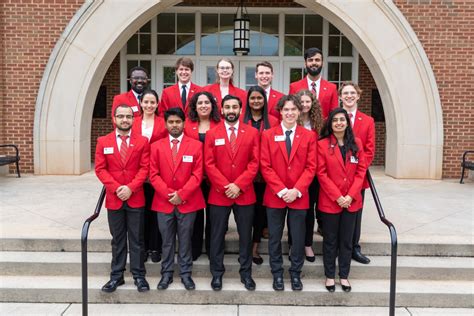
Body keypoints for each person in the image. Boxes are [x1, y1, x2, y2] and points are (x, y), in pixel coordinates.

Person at [260, 95, 317, 291]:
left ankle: (295, 273)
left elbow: (311, 167)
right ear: (280, 112)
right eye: (286, 110)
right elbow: (265, 166)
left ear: (299, 111)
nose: (290, 113)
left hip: (299, 197)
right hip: (276, 196)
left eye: (294, 109)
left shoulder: (309, 136)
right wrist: (283, 190)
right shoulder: (268, 135)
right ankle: (277, 274)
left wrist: (296, 190)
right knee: (274, 237)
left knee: (298, 237)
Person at [204, 95, 259, 291]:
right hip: (219, 193)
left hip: (245, 193)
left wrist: (239, 185)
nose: (231, 110)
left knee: (245, 236)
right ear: (221, 109)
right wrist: (226, 185)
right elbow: (208, 164)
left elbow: (254, 163)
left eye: (234, 107)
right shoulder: (212, 133)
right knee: (217, 235)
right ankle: (216, 274)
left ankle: (246, 274)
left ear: (240, 109)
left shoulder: (252, 133)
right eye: (227, 107)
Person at [95, 104, 150, 293]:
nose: (125, 119)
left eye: (128, 116)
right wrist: (118, 188)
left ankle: (139, 276)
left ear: (133, 119)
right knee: (118, 239)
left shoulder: (142, 141)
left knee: (137, 239)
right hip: (114, 198)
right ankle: (116, 276)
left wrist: (131, 188)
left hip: (135, 197)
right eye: (121, 116)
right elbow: (100, 169)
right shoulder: (103, 141)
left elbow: (145, 168)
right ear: (114, 118)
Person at [149, 107, 205, 291]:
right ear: (165, 124)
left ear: (184, 123)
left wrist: (181, 194)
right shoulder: (156, 146)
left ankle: (186, 274)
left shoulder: (196, 145)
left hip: (188, 202)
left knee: (185, 239)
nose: (174, 125)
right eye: (171, 122)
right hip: (163, 202)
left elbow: (198, 175)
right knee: (166, 240)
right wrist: (169, 194)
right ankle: (166, 274)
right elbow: (153, 175)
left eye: (178, 122)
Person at [317, 107, 368, 293]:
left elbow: (361, 171)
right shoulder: (322, 144)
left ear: (347, 123)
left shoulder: (357, 143)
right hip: (331, 201)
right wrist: (338, 196)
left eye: (342, 120)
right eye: (335, 120)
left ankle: (344, 276)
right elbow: (321, 174)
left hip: (351, 202)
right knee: (330, 240)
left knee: (346, 241)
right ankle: (330, 276)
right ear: (330, 124)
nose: (339, 123)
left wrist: (350, 196)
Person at [339, 82, 375, 265]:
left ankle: (354, 248)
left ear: (358, 96)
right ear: (341, 96)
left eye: (352, 93)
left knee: (355, 214)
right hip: (337, 177)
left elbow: (369, 151)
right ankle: (339, 247)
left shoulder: (367, 121)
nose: (349, 96)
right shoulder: (335, 118)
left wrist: (357, 170)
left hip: (357, 179)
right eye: (346, 93)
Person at [242, 86, 278, 265]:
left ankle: (254, 248)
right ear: (247, 101)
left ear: (265, 100)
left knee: (260, 213)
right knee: (246, 214)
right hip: (245, 175)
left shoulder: (273, 120)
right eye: (252, 98)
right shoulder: (241, 120)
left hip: (266, 176)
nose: (256, 101)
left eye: (259, 98)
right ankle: (245, 245)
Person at [287, 90, 324, 262]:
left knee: (309, 210)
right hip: (295, 173)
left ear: (313, 103)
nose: (305, 105)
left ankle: (307, 243)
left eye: (308, 101)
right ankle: (293, 244)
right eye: (301, 102)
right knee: (293, 210)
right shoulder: (291, 121)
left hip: (313, 174)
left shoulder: (319, 124)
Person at [131, 89, 167, 263]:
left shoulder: (163, 123)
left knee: (156, 213)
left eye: (152, 102)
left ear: (157, 104)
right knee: (140, 214)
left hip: (158, 173)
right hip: (137, 173)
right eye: (146, 102)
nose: (149, 105)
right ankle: (142, 247)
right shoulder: (133, 122)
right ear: (141, 103)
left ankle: (156, 247)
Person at [184, 91, 221, 261]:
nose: (203, 106)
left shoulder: (219, 125)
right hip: (193, 178)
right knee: (196, 216)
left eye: (207, 102)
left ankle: (213, 249)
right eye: (200, 103)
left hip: (215, 178)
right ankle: (195, 248)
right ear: (194, 106)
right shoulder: (187, 125)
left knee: (214, 216)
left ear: (212, 105)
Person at [289, 47, 338, 118]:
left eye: (317, 60)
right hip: (301, 127)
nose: (314, 63)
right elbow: (291, 111)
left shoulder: (332, 88)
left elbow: (334, 114)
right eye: (310, 60)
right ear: (305, 63)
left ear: (322, 63)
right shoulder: (294, 87)